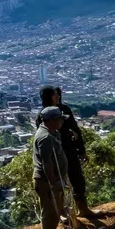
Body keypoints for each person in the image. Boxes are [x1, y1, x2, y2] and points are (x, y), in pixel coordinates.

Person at [36, 86, 94, 218]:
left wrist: (82, 150)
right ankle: (65, 214)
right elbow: (45, 134)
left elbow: (76, 130)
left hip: (70, 151)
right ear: (49, 96)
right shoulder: (43, 115)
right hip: (56, 154)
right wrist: (67, 133)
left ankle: (83, 209)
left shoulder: (65, 110)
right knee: (60, 184)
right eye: (55, 94)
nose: (58, 96)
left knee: (78, 179)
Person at [33, 107, 71, 229]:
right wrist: (53, 182)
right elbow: (46, 162)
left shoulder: (52, 133)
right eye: (60, 119)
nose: (62, 121)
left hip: (54, 179)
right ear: (52, 120)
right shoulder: (45, 137)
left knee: (57, 209)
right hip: (46, 181)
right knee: (50, 211)